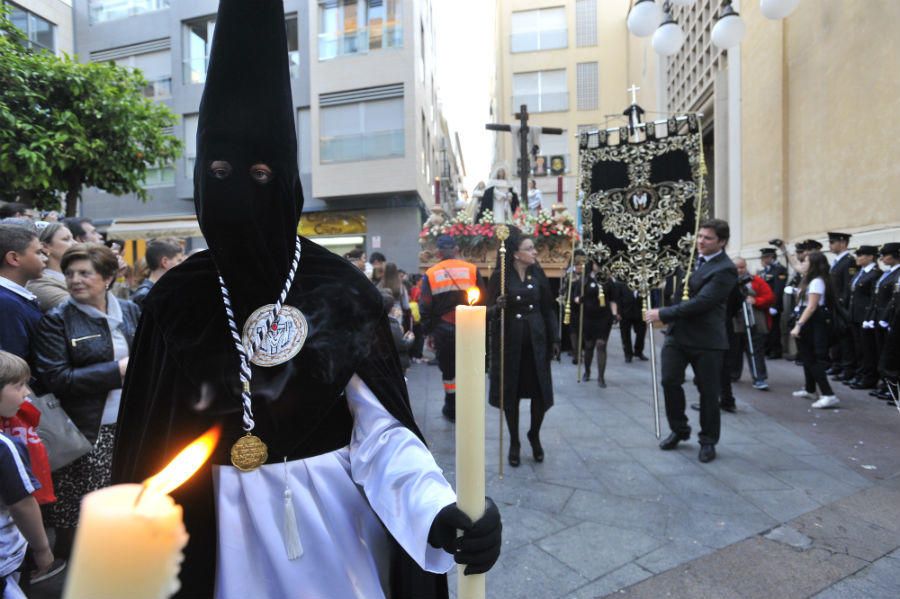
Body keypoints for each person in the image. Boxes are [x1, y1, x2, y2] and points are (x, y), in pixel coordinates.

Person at [110, 3, 501, 597]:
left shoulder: (337, 289)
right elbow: (148, 442)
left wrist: (438, 510)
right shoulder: (178, 297)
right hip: (208, 540)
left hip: (330, 533)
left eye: (261, 174)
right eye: (218, 170)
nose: (238, 190)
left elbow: (381, 434)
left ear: (288, 181)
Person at [33, 244, 140, 559]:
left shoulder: (131, 310)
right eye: (69, 273)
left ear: (107, 278)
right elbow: (57, 378)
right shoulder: (57, 320)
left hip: (130, 423)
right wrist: (116, 371)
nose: (75, 280)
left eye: (84, 273)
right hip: (86, 431)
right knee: (83, 514)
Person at [646, 219, 738, 464]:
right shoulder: (689, 260)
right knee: (669, 381)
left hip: (707, 340)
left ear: (722, 242)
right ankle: (679, 429)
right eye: (699, 236)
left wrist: (662, 314)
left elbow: (703, 302)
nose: (700, 242)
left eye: (707, 238)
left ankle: (708, 441)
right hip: (678, 336)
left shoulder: (725, 269)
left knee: (708, 392)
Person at [488, 229, 559, 467]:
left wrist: (555, 338)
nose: (534, 252)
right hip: (510, 346)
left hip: (536, 344)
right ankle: (515, 441)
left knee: (540, 393)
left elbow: (548, 308)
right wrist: (498, 307)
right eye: (529, 249)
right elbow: (487, 312)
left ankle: (534, 434)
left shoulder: (538, 275)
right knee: (512, 395)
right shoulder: (500, 276)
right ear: (516, 254)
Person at [1, 352, 57, 599]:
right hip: (5, 561)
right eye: (19, 385)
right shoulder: (4, 447)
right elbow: (23, 504)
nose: (27, 393)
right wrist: (42, 548)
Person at [420, 236, 481, 421]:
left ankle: (451, 405)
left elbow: (426, 306)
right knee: (469, 368)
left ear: (438, 253)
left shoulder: (431, 274)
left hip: (443, 329)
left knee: (448, 370)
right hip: (469, 328)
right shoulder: (472, 270)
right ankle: (469, 404)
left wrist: (428, 331)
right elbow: (483, 299)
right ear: (456, 249)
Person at [789, 251, 841, 408]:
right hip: (809, 321)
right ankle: (810, 389)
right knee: (806, 356)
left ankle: (828, 394)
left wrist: (799, 325)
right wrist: (785, 250)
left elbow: (812, 306)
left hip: (813, 323)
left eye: (805, 261)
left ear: (813, 265)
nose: (802, 263)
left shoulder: (816, 282)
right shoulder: (810, 279)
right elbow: (796, 266)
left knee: (813, 359)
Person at [0, 225, 47, 362]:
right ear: (14, 258)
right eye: (38, 253)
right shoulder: (6, 303)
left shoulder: (12, 298)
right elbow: (14, 363)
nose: (45, 258)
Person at [572, 259, 617, 387]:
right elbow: (575, 297)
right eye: (596, 263)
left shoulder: (608, 280)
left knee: (601, 345)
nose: (598, 266)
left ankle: (601, 377)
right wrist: (579, 299)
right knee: (589, 345)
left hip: (604, 317)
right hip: (588, 317)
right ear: (592, 265)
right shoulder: (584, 280)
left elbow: (613, 299)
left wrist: (614, 314)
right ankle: (587, 371)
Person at [732, 258, 775, 390]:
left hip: (755, 320)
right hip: (736, 321)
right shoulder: (728, 281)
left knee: (756, 350)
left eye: (742, 267)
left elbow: (770, 297)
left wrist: (756, 300)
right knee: (734, 351)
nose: (740, 270)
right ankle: (733, 375)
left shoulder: (756, 281)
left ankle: (759, 378)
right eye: (737, 267)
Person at [866, 243, 900, 401]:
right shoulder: (888, 273)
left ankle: (893, 389)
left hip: (892, 319)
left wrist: (887, 319)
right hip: (882, 318)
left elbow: (893, 300)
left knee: (893, 356)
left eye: (886, 255)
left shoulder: (897, 273)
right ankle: (887, 386)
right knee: (884, 354)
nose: (882, 258)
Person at [845, 246, 882, 390]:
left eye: (861, 255)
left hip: (865, 317)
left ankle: (869, 377)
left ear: (871, 257)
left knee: (868, 349)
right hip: (855, 315)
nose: (858, 258)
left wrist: (869, 317)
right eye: (858, 255)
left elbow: (874, 298)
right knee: (858, 348)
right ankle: (860, 373)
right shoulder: (861, 273)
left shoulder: (875, 274)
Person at [26, 223, 77, 312]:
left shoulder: (76, 275)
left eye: (73, 238)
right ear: (45, 247)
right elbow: (82, 310)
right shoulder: (39, 284)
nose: (75, 243)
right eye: (66, 239)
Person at [826, 232, 855, 380]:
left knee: (845, 339)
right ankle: (836, 364)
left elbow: (848, 286)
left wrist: (842, 305)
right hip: (834, 306)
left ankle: (847, 368)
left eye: (833, 242)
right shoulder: (837, 261)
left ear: (843, 243)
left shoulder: (849, 261)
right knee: (835, 337)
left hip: (841, 307)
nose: (830, 245)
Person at [130, 239, 185, 307]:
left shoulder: (159, 290)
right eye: (179, 260)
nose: (182, 264)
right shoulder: (145, 295)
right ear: (165, 262)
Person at [759, 247, 788, 359]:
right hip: (766, 304)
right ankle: (768, 349)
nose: (763, 260)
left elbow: (778, 289)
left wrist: (774, 306)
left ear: (771, 257)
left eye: (765, 257)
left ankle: (775, 351)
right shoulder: (768, 269)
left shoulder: (779, 269)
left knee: (774, 329)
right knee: (767, 328)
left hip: (773, 305)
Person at [614, 279, 648, 363]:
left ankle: (638, 351)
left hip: (640, 312)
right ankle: (628, 354)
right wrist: (618, 312)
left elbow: (647, 297)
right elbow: (617, 298)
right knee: (625, 335)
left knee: (641, 333)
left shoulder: (642, 282)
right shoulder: (621, 283)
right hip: (625, 312)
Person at [383, 290, 414, 373]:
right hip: (393, 363)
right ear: (392, 308)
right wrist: (410, 339)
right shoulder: (392, 325)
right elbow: (401, 345)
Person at [377, 262, 411, 329]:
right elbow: (406, 306)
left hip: (384, 313)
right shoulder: (401, 286)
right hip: (397, 313)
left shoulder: (380, 286)